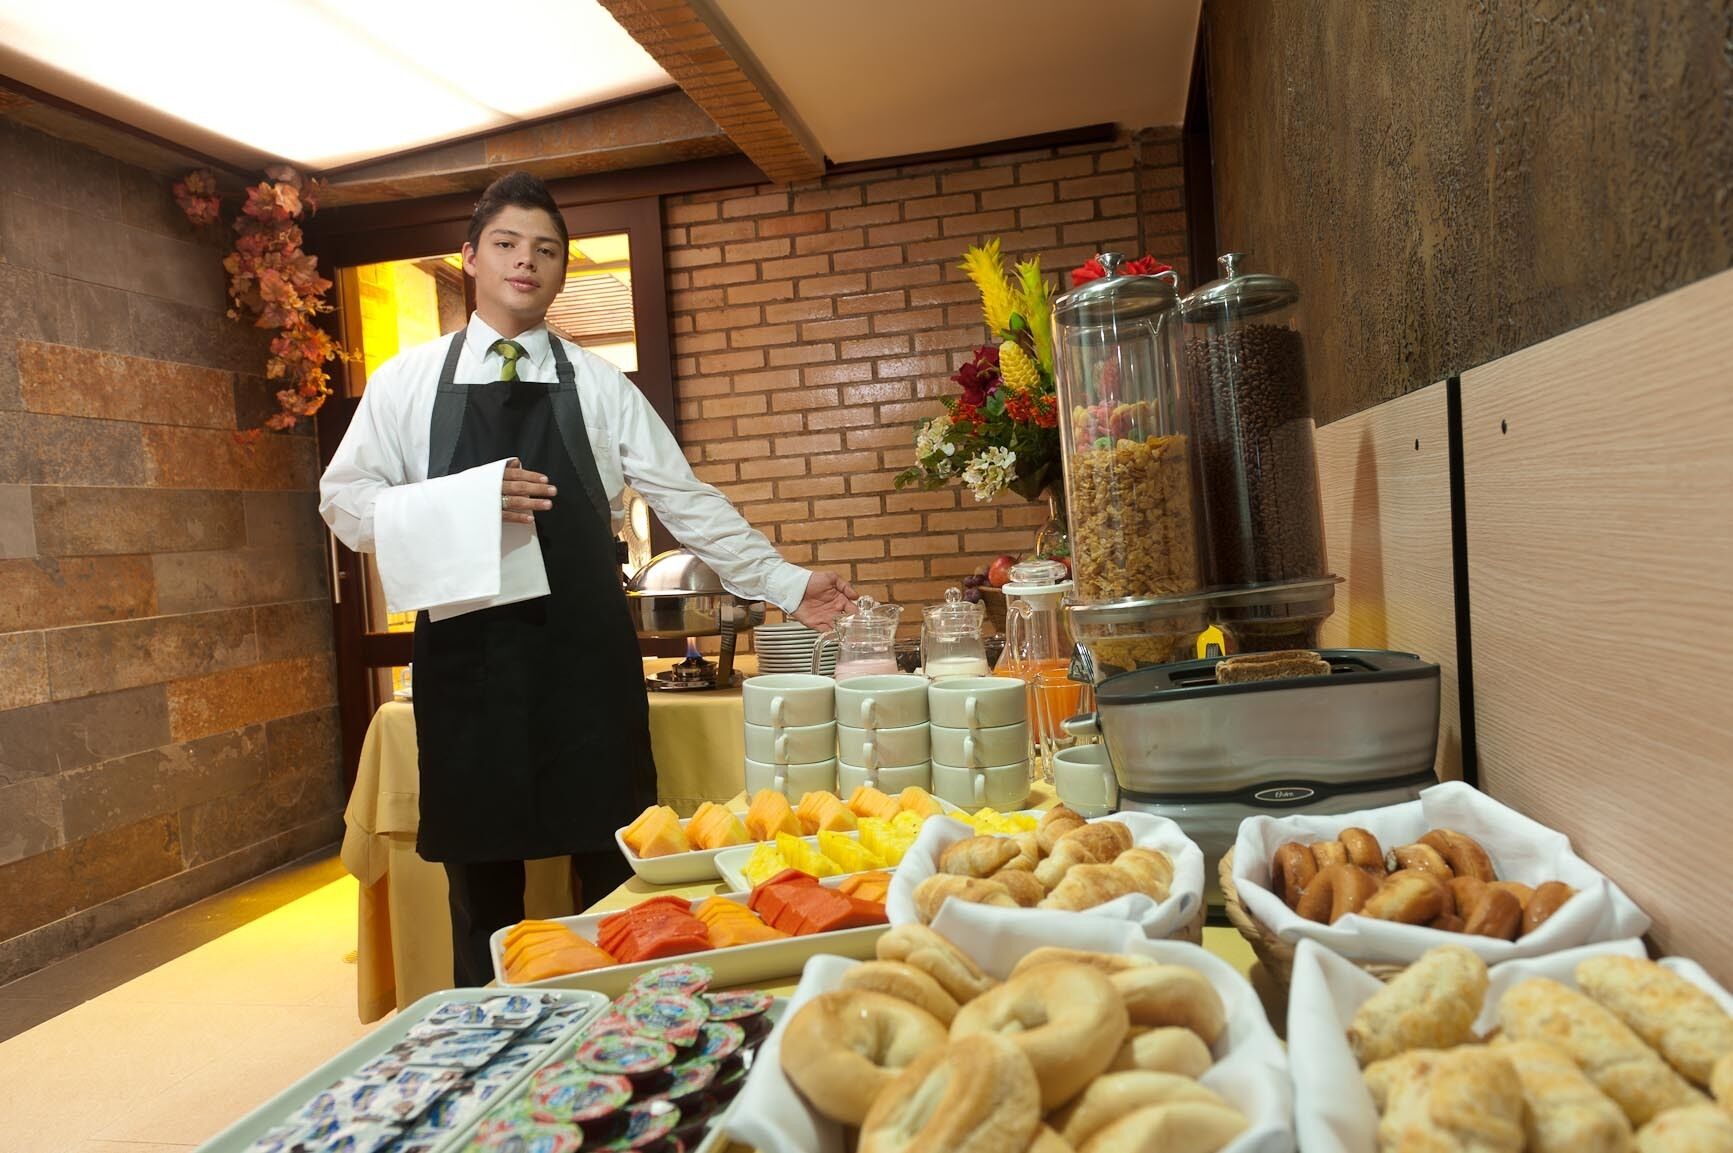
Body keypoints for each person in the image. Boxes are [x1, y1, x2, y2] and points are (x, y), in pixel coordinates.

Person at [320, 172, 856, 986]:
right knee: (482, 888)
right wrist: (465, 501)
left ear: (562, 270)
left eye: (545, 250)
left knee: (616, 881)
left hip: (584, 661)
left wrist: (785, 581)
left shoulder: (601, 385)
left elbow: (686, 498)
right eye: (506, 244)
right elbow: (344, 504)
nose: (525, 263)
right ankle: (494, 1036)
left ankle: (622, 1029)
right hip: (467, 666)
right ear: (469, 257)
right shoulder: (407, 383)